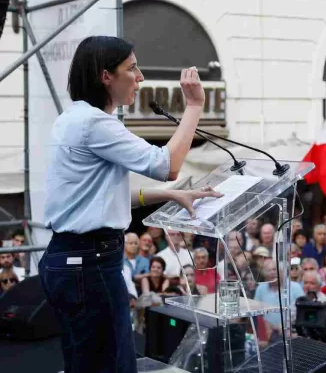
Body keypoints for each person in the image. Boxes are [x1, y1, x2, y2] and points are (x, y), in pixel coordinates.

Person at [38, 36, 222, 373]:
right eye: (132, 68)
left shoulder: (73, 119)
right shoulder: (95, 123)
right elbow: (167, 166)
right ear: (105, 76)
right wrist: (195, 106)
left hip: (74, 260)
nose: (140, 77)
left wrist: (171, 195)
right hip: (90, 264)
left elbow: (98, 199)